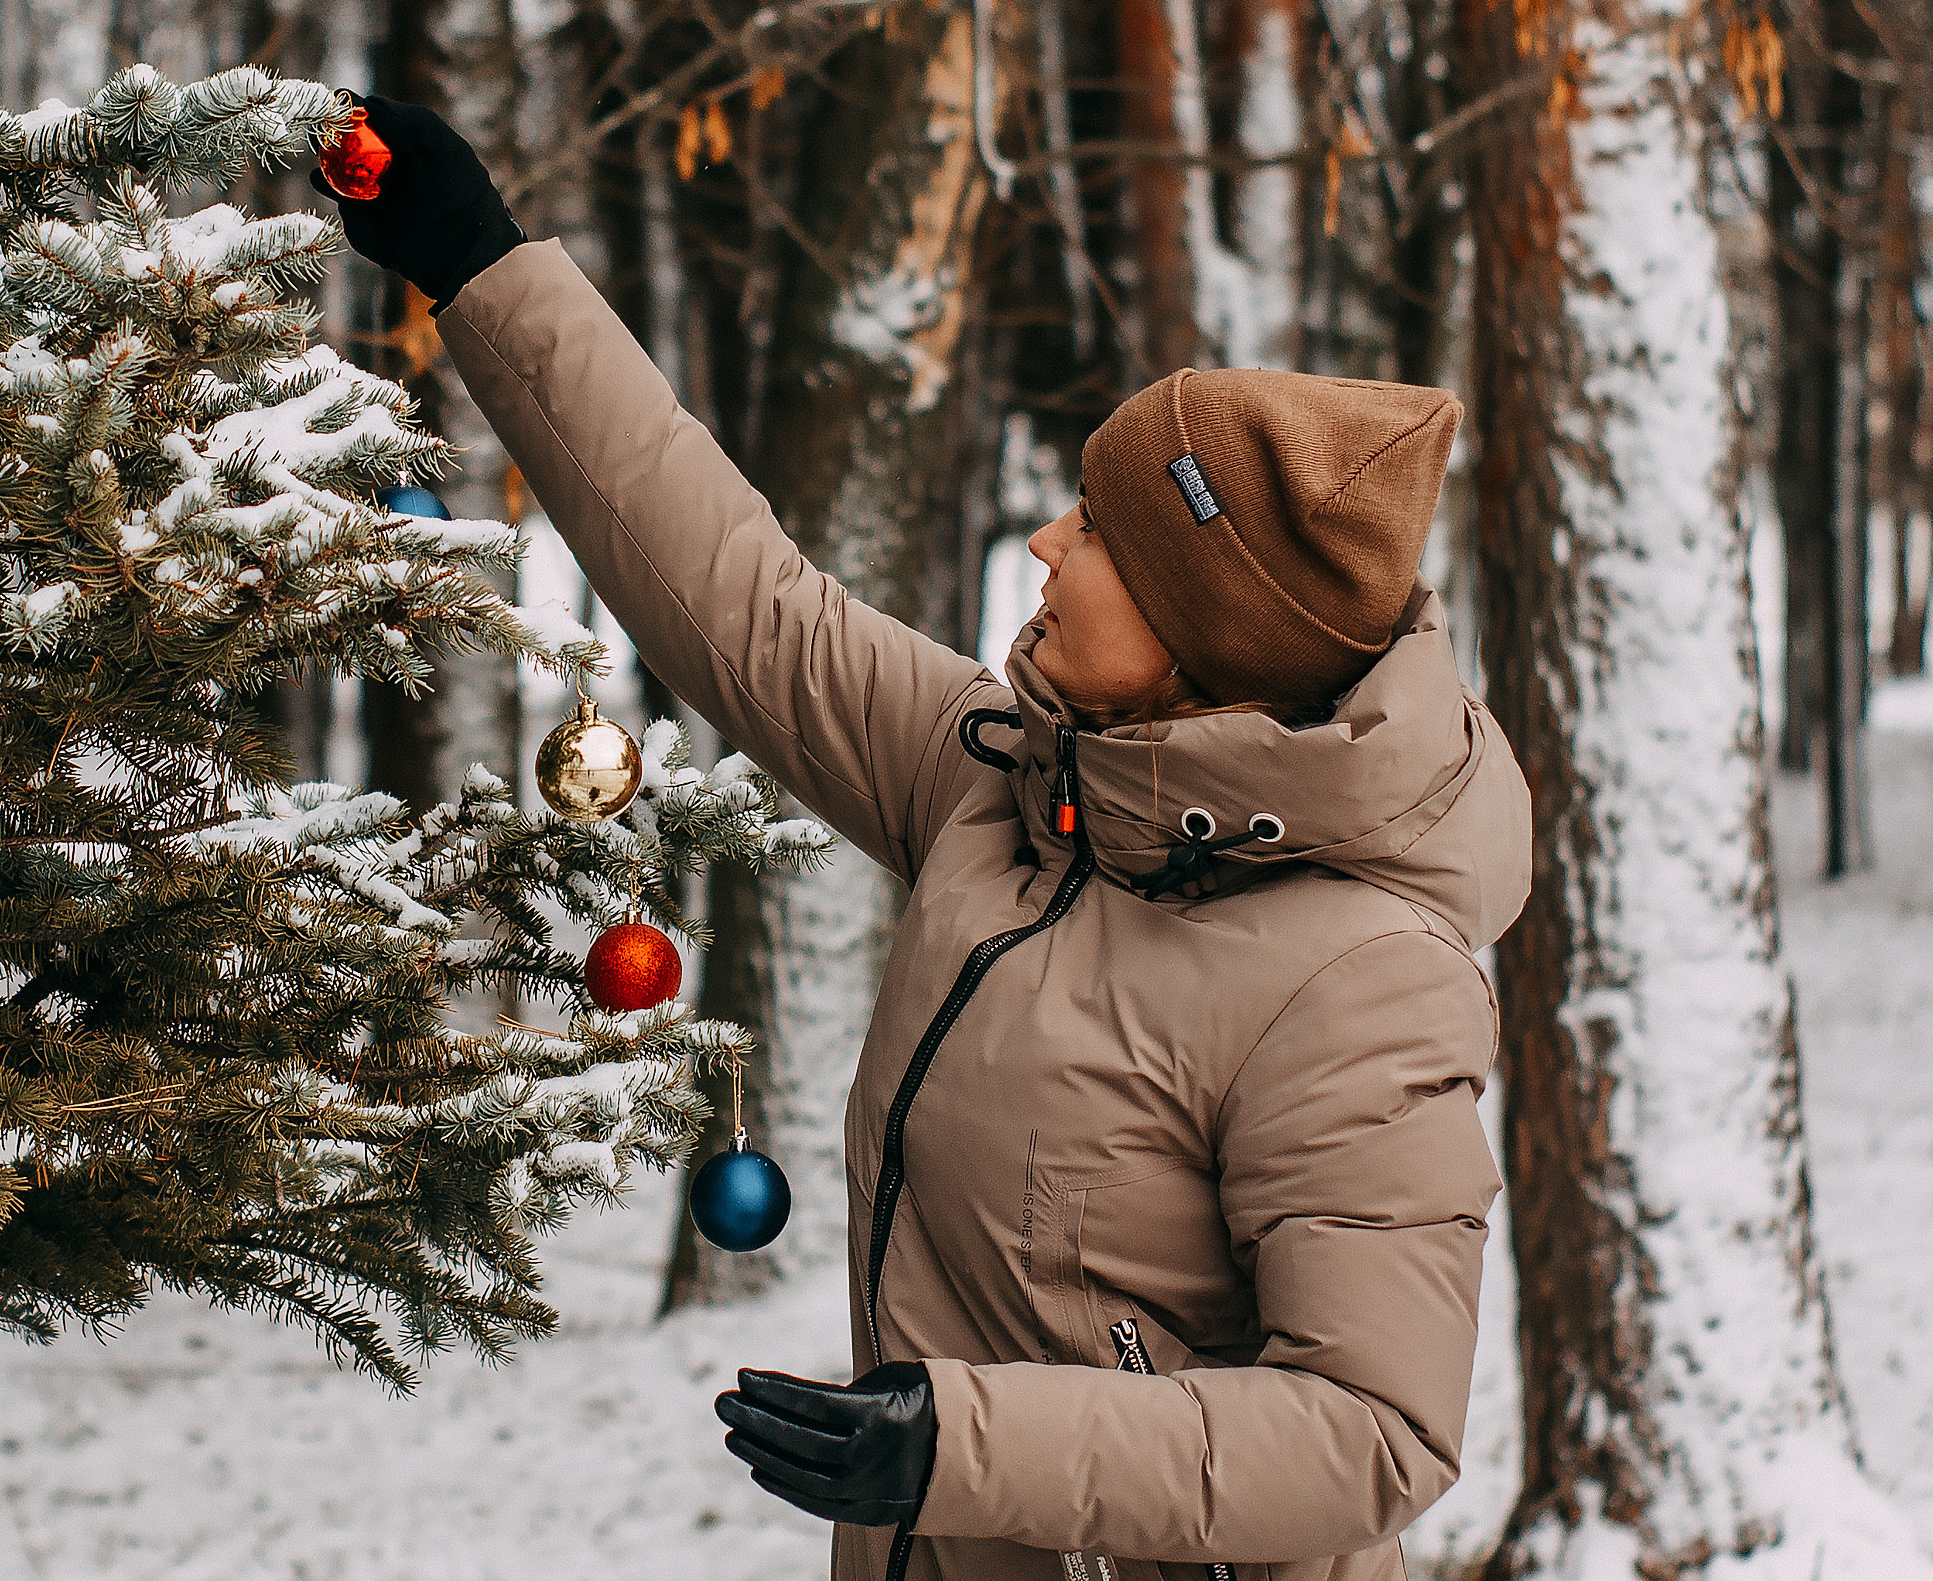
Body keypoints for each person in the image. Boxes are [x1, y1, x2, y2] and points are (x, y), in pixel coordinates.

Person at [316, 98, 1532, 1581]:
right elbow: (742, 599)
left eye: (1096, 529)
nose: (1044, 544)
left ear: (1200, 635)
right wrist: (479, 263)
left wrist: (964, 1448)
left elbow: (1374, 1438)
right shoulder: (1013, 788)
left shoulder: (1359, 978)